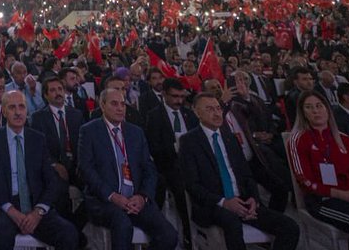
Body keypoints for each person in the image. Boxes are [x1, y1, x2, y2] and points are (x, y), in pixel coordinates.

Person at [179, 92, 300, 250]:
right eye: (209, 109)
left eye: (218, 108)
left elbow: (247, 175)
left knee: (290, 227)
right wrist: (224, 202)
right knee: (232, 222)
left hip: (242, 201)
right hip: (213, 205)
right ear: (197, 112)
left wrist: (253, 199)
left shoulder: (230, 138)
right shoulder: (189, 141)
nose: (216, 113)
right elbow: (192, 185)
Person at [78, 85, 178, 250]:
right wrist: (112, 196)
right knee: (123, 225)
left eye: (123, 104)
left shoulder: (136, 132)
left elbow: (149, 168)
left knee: (169, 235)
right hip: (105, 201)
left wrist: (142, 197)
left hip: (135, 199)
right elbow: (86, 169)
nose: (120, 108)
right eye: (114, 104)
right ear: (102, 105)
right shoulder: (89, 131)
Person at [0, 90, 78, 250]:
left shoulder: (38, 139)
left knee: (69, 233)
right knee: (3, 233)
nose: (18, 112)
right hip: (4, 206)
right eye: (12, 107)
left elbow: (51, 181)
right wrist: (11, 211)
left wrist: (38, 211)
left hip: (35, 205)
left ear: (27, 110)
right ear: (4, 111)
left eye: (22, 107)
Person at [287, 92, 349, 250]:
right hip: (321, 200)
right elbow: (304, 181)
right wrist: (343, 195)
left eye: (319, 106)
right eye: (309, 107)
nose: (315, 111)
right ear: (303, 113)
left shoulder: (344, 139)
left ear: (327, 109)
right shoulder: (298, 139)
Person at [144, 76, 196, 241]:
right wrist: (175, 148)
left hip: (192, 164)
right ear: (164, 94)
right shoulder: (154, 116)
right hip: (169, 166)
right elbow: (154, 147)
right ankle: (187, 234)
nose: (179, 101)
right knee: (182, 190)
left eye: (181, 97)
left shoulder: (189, 115)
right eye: (174, 96)